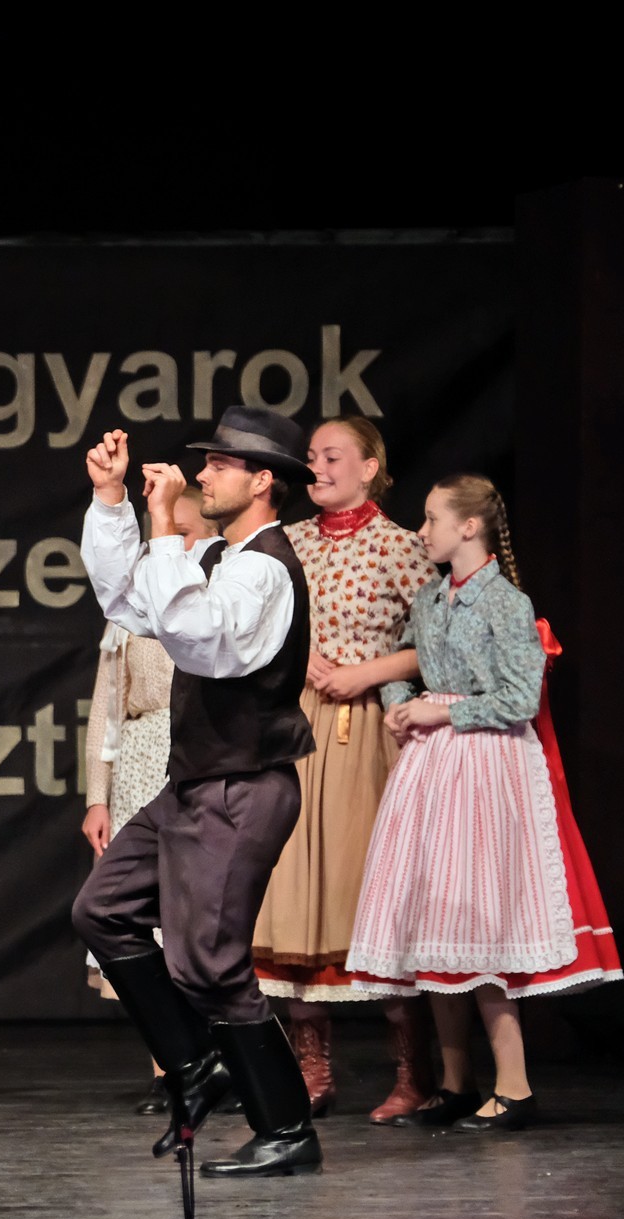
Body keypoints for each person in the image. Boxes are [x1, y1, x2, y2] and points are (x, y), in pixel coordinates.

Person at [71, 409, 323, 1179]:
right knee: (102, 910)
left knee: (210, 962)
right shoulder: (216, 556)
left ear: (263, 481)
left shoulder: (264, 569)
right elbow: (127, 603)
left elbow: (204, 642)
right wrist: (113, 501)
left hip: (243, 786)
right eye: (205, 463)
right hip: (194, 785)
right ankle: (193, 1065)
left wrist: (162, 530)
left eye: (220, 465)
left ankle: (287, 1127)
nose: (203, 475)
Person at [346, 474, 621, 1131]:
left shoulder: (506, 602)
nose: (422, 531)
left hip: (487, 763)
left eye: (432, 519)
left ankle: (515, 1086)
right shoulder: (431, 597)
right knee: (435, 923)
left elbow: (519, 698)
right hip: (433, 765)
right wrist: (399, 706)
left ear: (468, 527)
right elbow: (402, 660)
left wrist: (441, 713)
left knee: (478, 924)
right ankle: (455, 1083)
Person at [250, 417, 439, 1122]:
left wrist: (368, 672)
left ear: (369, 467)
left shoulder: (401, 546)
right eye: (311, 457)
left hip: (366, 734)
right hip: (295, 728)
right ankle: (312, 1067)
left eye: (333, 456)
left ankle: (413, 1072)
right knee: (294, 893)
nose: (318, 468)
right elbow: (256, 628)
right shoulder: (289, 543)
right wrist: (299, 658)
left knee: (371, 892)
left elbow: (437, 643)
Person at [80, 486, 219, 1114]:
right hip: (139, 761)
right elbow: (107, 705)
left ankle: (218, 1054)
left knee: (198, 910)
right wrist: (97, 797)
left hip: (192, 753)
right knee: (141, 914)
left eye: (185, 531)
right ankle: (169, 1066)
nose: (176, 541)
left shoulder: (212, 598)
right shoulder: (132, 604)